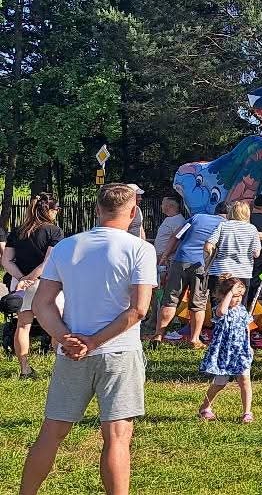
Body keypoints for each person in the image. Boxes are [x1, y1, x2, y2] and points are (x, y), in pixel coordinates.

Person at [20, 184, 156, 495]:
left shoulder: (67, 247)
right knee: (118, 436)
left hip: (71, 353)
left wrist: (65, 338)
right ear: (133, 212)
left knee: (51, 432)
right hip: (119, 351)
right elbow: (138, 310)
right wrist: (93, 342)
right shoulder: (139, 249)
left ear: (96, 209)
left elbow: (43, 303)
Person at [4, 194, 64, 379]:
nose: (57, 213)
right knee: (57, 325)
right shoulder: (54, 231)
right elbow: (49, 261)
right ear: (50, 210)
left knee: (23, 325)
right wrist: (32, 277)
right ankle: (59, 368)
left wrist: (22, 278)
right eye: (57, 210)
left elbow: (6, 260)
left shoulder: (17, 231)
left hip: (20, 284)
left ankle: (24, 369)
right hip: (47, 282)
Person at [153, 202, 225, 348]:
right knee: (198, 304)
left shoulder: (197, 218)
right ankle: (194, 339)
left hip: (181, 260)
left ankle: (158, 335)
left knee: (170, 300)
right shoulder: (227, 225)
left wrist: (165, 255)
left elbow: (176, 236)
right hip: (202, 265)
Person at [197, 275, 254, 423]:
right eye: (235, 296)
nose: (238, 299)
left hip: (240, 352)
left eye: (240, 296)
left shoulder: (242, 310)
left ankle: (247, 412)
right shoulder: (220, 309)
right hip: (225, 353)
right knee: (220, 383)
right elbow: (222, 312)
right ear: (224, 295)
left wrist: (248, 346)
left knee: (245, 380)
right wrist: (229, 294)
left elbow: (247, 328)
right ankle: (205, 407)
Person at [204, 201, 260, 286]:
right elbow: (256, 253)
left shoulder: (223, 225)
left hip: (219, 271)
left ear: (231, 212)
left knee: (218, 298)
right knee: (237, 299)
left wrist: (209, 258)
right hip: (242, 273)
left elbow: (208, 246)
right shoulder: (252, 229)